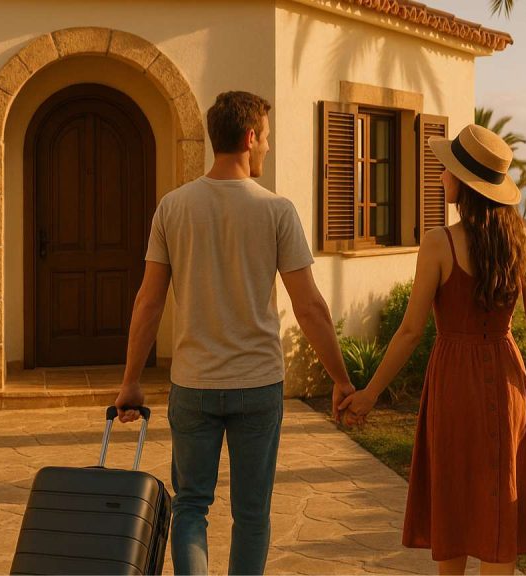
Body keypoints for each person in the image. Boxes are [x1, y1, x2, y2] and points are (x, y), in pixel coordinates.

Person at [114, 91, 355, 575]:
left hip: (193, 383)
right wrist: (342, 379)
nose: (267, 146)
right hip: (257, 385)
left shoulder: (173, 207)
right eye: (266, 138)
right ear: (249, 137)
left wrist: (131, 380)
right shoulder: (277, 210)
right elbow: (309, 306)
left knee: (190, 506)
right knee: (251, 513)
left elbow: (149, 302)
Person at [339, 124, 526, 575]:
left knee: (453, 505)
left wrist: (370, 394)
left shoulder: (439, 243)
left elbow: (410, 331)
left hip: (454, 384)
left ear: (463, 182)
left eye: (447, 169)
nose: (441, 175)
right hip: (508, 381)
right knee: (500, 504)